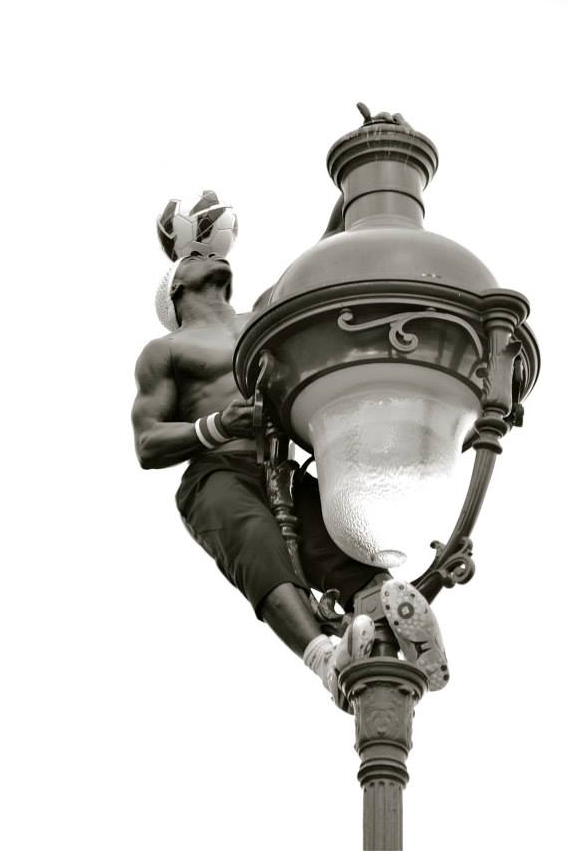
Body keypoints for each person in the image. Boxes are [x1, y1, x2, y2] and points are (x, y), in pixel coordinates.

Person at [132, 244, 448, 705]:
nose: (208, 251)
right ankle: (325, 659)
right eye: (194, 255)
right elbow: (147, 442)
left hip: (282, 469)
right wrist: (218, 425)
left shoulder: (264, 315)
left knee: (344, 544)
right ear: (176, 287)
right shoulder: (165, 350)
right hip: (217, 473)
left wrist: (353, 205)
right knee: (257, 545)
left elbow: (324, 253)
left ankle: (397, 624)